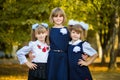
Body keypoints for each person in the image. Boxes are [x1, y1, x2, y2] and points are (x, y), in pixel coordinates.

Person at [47, 7, 70, 80]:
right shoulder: (49, 30)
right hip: (52, 57)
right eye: (55, 16)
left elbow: (74, 43)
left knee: (62, 76)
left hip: (64, 57)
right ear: (52, 18)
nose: (58, 18)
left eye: (60, 16)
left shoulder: (68, 30)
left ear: (63, 17)